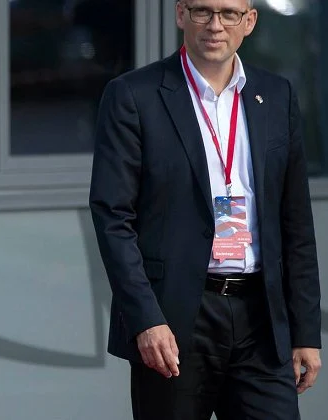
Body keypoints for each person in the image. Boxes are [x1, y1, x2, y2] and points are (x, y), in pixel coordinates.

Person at [89, 1, 322, 419]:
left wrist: (306, 330)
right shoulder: (133, 96)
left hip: (260, 319)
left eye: (229, 13)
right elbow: (113, 219)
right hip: (175, 319)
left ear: (249, 22)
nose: (215, 25)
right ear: (180, 14)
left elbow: (296, 223)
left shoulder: (277, 94)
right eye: (202, 11)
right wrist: (145, 319)